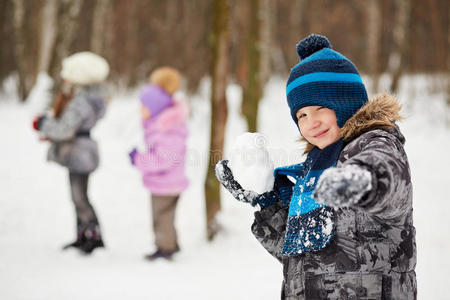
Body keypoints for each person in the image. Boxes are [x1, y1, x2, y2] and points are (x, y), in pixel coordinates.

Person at [215, 34, 416, 299]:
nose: (311, 123)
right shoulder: (314, 167)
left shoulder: (375, 144)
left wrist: (358, 181)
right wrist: (269, 203)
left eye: (321, 108)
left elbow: (386, 174)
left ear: (346, 101)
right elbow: (305, 257)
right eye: (302, 115)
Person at [33, 51, 109, 254]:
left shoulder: (81, 101)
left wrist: (43, 124)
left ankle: (93, 236)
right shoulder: (89, 98)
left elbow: (65, 129)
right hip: (82, 151)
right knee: (78, 195)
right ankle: (83, 234)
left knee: (79, 196)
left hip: (79, 153)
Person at [129, 67, 189, 261]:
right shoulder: (162, 125)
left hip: (166, 183)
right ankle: (171, 243)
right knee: (166, 216)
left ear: (154, 108)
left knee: (161, 217)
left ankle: (166, 248)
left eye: (144, 107)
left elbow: (164, 159)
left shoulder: (165, 129)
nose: (141, 111)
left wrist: (138, 159)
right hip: (168, 181)